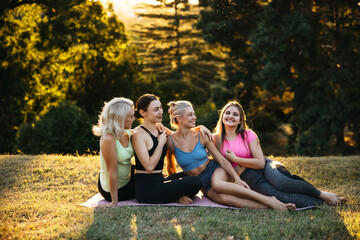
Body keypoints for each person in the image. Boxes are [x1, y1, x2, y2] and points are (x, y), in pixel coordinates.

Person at [213, 101, 347, 208]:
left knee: (283, 183)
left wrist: (236, 159)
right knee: (282, 197)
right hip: (252, 181)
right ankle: (323, 204)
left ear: (240, 120)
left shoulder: (248, 134)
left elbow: (260, 163)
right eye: (228, 113)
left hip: (266, 167)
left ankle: (322, 194)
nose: (230, 116)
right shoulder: (215, 139)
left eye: (235, 114)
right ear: (222, 116)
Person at [166, 100, 296, 210]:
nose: (194, 117)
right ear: (179, 118)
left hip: (215, 170)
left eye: (194, 114)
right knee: (224, 199)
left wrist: (237, 178)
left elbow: (221, 160)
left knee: (218, 184)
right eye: (190, 115)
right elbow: (171, 169)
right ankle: (273, 206)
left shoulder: (201, 135)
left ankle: (269, 199)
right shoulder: (170, 142)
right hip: (202, 183)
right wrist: (178, 193)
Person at [131, 94, 203, 205]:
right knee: (195, 182)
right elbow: (149, 167)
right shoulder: (138, 134)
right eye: (156, 109)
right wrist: (160, 144)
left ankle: (176, 196)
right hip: (147, 190)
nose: (160, 112)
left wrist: (200, 128)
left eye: (160, 108)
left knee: (192, 174)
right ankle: (177, 197)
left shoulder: (160, 129)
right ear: (142, 113)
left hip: (160, 180)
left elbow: (179, 135)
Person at [92, 97, 137, 207]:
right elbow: (112, 170)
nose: (134, 119)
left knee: (153, 175)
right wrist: (114, 202)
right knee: (149, 185)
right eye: (131, 116)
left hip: (127, 176)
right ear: (120, 118)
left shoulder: (128, 133)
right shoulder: (108, 138)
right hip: (114, 189)